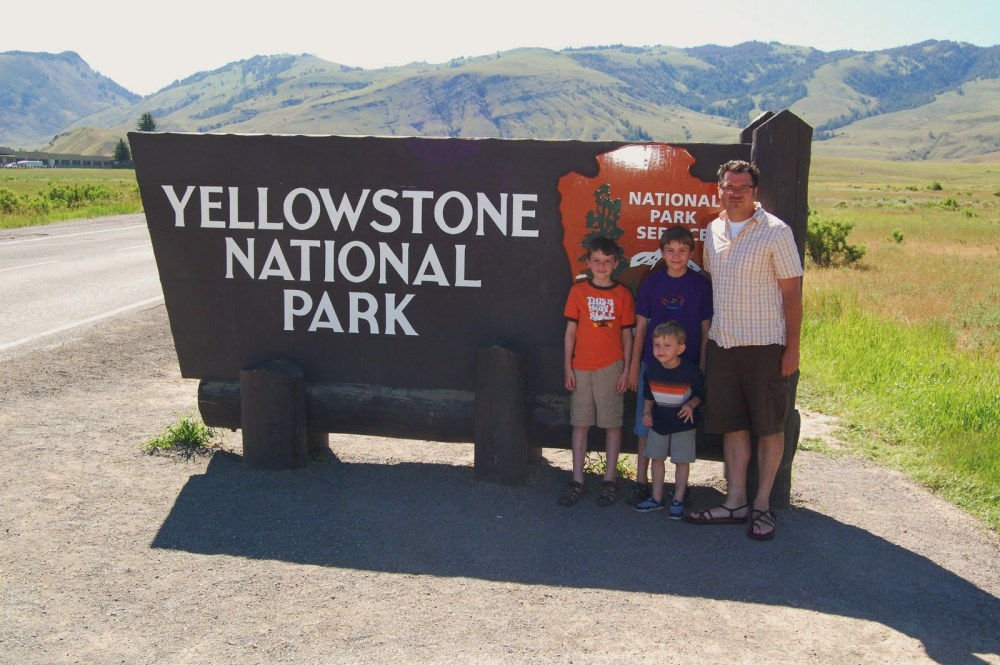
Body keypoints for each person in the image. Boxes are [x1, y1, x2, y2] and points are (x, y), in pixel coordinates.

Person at [684, 159, 803, 541]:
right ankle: (735, 502)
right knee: (733, 424)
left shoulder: (776, 232)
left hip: (766, 345)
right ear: (719, 188)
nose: (735, 193)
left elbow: (792, 296)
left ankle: (763, 505)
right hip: (724, 343)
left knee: (769, 426)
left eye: (743, 188)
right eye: (729, 187)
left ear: (756, 192)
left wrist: (793, 349)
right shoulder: (713, 229)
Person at [626, 226, 712, 507]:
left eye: (682, 251)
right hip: (653, 368)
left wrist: (702, 364)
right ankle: (642, 481)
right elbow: (641, 328)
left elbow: (705, 329)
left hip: (685, 371)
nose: (676, 256)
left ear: (691, 253)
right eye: (670, 251)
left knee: (682, 427)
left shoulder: (700, 285)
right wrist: (633, 368)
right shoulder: (652, 282)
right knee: (646, 424)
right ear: (662, 253)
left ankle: (678, 489)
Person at [559, 235, 636, 507]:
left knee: (612, 424)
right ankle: (577, 479)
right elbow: (570, 333)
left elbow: (628, 335)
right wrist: (568, 366)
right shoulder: (578, 291)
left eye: (607, 261)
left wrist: (627, 370)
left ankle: (610, 479)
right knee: (580, 424)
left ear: (615, 263)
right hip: (581, 367)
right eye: (596, 261)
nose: (601, 266)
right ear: (589, 263)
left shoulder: (623, 294)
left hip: (611, 366)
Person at [633, 321, 704, 519]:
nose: (661, 350)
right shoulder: (651, 371)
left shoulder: (691, 371)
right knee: (656, 458)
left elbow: (700, 394)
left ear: (680, 348)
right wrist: (646, 413)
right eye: (657, 345)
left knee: (681, 461)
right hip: (658, 423)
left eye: (667, 345)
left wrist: (691, 405)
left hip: (683, 424)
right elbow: (648, 395)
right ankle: (656, 498)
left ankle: (678, 500)